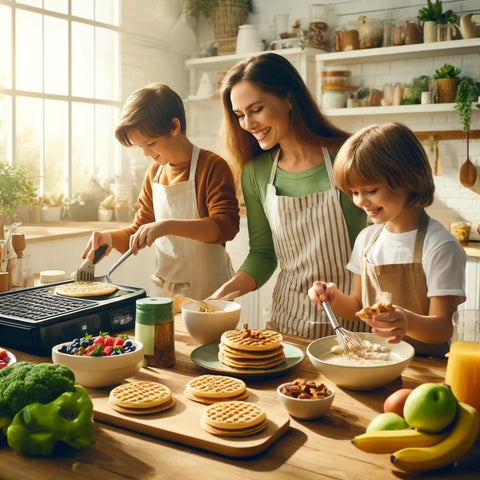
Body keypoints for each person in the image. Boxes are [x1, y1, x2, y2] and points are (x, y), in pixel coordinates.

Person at [210, 53, 366, 338]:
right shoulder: (256, 172)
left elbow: (380, 249)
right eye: (240, 115)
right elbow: (263, 254)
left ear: (289, 98)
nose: (248, 124)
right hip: (290, 325)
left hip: (354, 327)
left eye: (256, 109)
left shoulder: (349, 156)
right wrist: (220, 297)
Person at [308, 122, 466, 357]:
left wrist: (407, 321)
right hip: (377, 360)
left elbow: (443, 328)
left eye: (371, 190)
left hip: (427, 369)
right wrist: (333, 298)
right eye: (354, 192)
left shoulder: (440, 246)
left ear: (408, 179)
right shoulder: (367, 239)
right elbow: (357, 307)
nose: (361, 201)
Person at [82, 82, 240, 300]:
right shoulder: (154, 173)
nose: (146, 153)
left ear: (174, 127)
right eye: (141, 147)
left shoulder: (212, 166)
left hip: (210, 296)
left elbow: (226, 226)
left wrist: (166, 226)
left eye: (151, 143)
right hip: (165, 294)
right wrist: (108, 237)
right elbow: (140, 230)